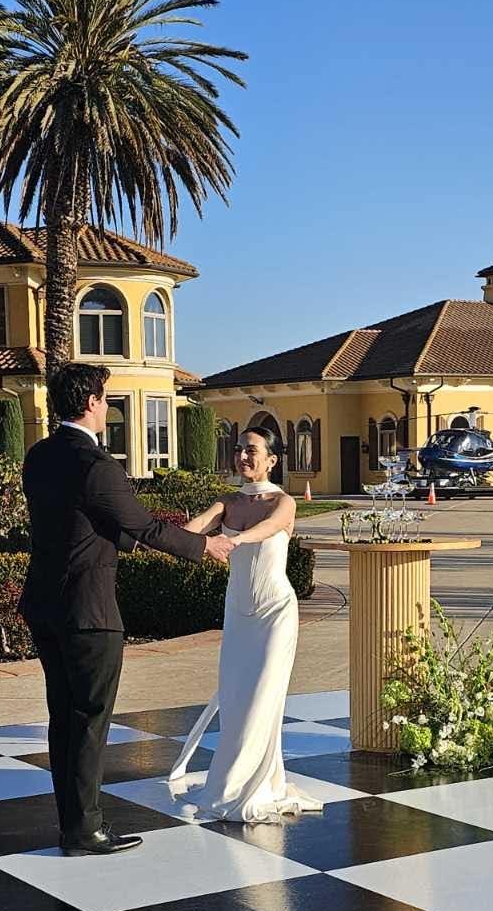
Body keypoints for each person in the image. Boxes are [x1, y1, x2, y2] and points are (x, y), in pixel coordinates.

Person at [20, 364, 234, 856]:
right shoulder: (96, 464)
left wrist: (131, 538)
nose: (108, 404)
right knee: (90, 720)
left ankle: (73, 823)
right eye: (105, 396)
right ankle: (85, 830)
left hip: (46, 605)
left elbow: (84, 522)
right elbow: (143, 526)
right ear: (92, 402)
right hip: (88, 611)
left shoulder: (40, 456)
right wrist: (205, 547)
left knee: (64, 718)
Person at [168, 427, 322, 823]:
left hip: (275, 613)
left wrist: (233, 541)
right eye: (239, 450)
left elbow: (268, 529)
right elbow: (194, 530)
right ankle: (238, 779)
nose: (243, 457)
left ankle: (250, 786)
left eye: (251, 451)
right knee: (236, 701)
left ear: (271, 459)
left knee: (262, 698)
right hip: (237, 613)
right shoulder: (226, 502)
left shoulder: (284, 502)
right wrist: (154, 537)